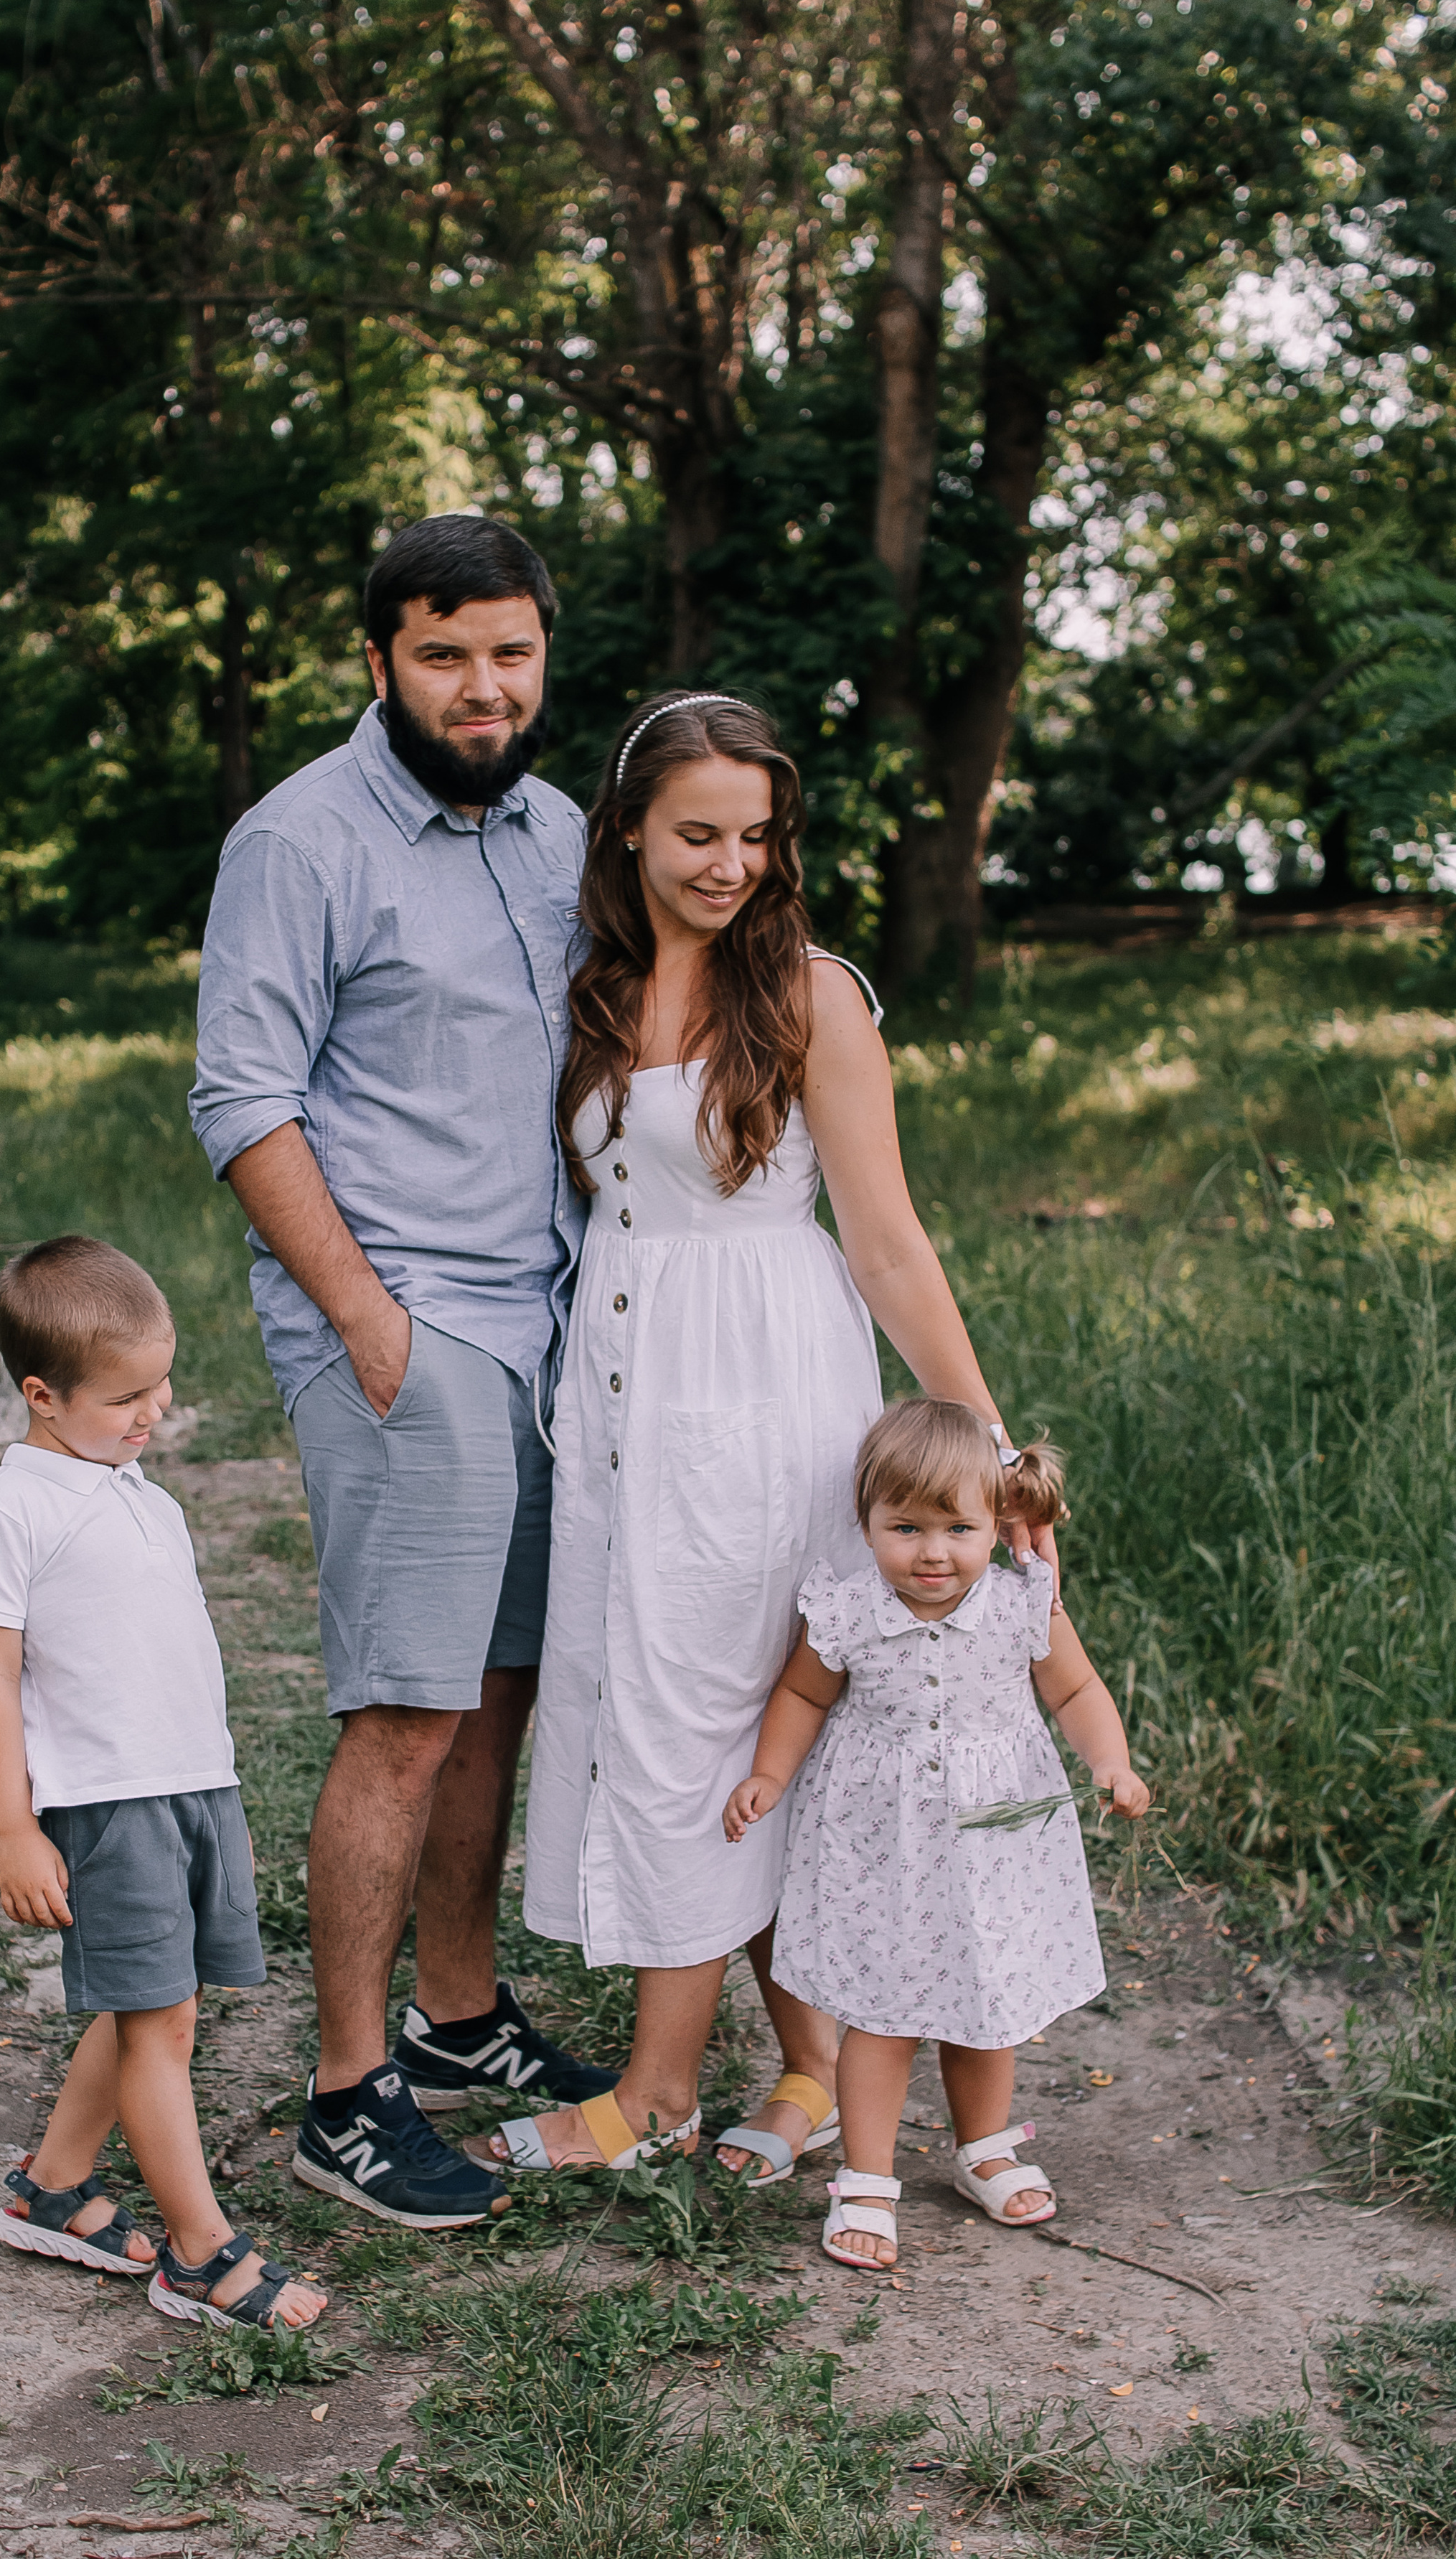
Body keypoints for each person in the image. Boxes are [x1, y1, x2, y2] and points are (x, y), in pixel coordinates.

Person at [472, 689, 1055, 2185]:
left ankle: (655, 2090)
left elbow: (885, 1245)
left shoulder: (807, 994)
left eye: (752, 835)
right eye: (694, 834)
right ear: (623, 829)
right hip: (619, 1394)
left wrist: (978, 1444)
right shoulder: (589, 987)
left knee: (710, 1716)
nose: (728, 863)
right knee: (674, 1716)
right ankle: (802, 2066)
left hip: (761, 1386)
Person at [187, 515, 614, 2231]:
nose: (482, 685)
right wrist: (370, 1323)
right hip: (402, 1321)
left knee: (498, 1686)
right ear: (379, 662)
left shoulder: (563, 831)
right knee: (407, 1711)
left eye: (507, 652)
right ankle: (344, 2093)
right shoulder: (297, 840)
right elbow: (241, 1098)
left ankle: (456, 2017)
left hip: (547, 1325)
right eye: (444, 654)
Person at [0, 1235, 325, 2331]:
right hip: (108, 1804)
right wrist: (15, 1827)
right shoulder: (8, 1512)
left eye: (162, 1382)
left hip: (191, 1785)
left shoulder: (138, 1491)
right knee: (158, 2020)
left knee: (160, 2006)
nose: (154, 1408)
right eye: (126, 1395)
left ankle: (54, 2187)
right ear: (42, 1395)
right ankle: (203, 2256)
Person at [724, 1396, 1150, 2268]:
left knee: (986, 2003)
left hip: (995, 1838)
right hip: (881, 1841)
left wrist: (1110, 1762)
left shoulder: (1020, 1604)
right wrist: (769, 1772)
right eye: (905, 1526)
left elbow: (1075, 1691)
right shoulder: (845, 1611)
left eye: (958, 1527)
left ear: (998, 1521)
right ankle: (868, 2176)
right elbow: (804, 1695)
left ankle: (982, 2144)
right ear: (867, 1521)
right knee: (880, 2011)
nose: (931, 1552)